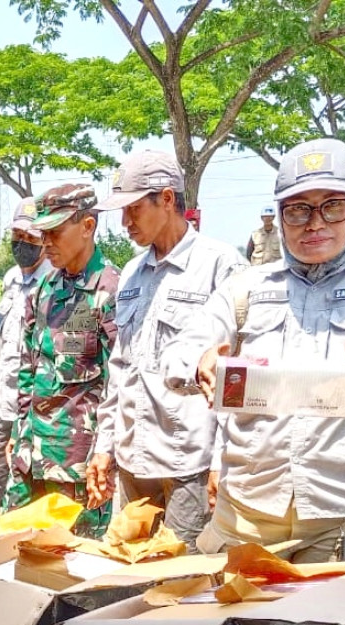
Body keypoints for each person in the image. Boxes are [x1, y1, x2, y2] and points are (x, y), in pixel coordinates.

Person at [166, 138, 345, 562]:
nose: (314, 223)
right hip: (248, 515)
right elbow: (177, 353)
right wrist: (200, 365)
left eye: (332, 206)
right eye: (298, 209)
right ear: (281, 217)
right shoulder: (246, 288)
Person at [86, 151, 246, 549]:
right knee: (130, 573)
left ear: (168, 200)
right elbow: (120, 370)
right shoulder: (133, 274)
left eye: (134, 209)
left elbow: (236, 377)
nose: (125, 223)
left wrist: (222, 460)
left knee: (180, 581)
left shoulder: (221, 267)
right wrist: (104, 446)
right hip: (133, 458)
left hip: (187, 462)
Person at [4, 183, 120, 536]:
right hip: (29, 458)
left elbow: (120, 384)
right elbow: (29, 367)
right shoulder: (45, 290)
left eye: (55, 232)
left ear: (87, 227)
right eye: (44, 233)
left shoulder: (111, 291)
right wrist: (17, 431)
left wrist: (106, 454)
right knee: (11, 552)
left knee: (71, 570)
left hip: (75, 467)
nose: (46, 242)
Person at [0, 197, 51, 515]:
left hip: (35, 413)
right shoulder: (12, 278)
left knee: (27, 494)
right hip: (7, 407)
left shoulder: (54, 283)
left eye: (30, 238)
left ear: (45, 239)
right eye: (17, 236)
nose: (22, 244)